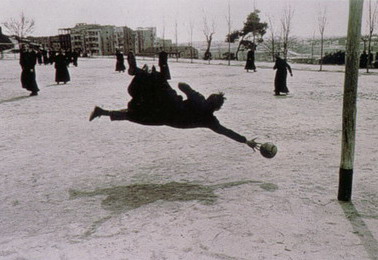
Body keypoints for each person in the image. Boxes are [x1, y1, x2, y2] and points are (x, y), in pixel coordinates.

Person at [89, 52, 257, 148]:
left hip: (169, 103)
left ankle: (143, 72)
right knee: (135, 114)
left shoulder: (199, 100)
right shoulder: (210, 120)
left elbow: (182, 85)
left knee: (158, 83)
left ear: (209, 98)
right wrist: (245, 141)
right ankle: (145, 73)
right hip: (165, 117)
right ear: (217, 108)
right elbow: (226, 131)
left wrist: (192, 92)